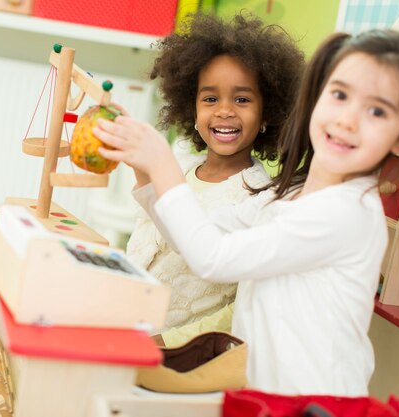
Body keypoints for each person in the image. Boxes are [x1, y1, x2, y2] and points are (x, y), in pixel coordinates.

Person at [94, 29, 399, 395]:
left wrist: (161, 161)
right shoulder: (287, 194)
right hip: (261, 392)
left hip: (312, 402)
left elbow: (213, 258)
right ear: (316, 97)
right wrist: (144, 167)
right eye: (340, 95)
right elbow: (191, 236)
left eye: (377, 111)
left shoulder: (346, 213)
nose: (348, 119)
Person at [125, 12, 305, 338]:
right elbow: (145, 245)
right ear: (192, 109)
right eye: (210, 98)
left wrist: (167, 343)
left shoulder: (261, 197)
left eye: (242, 99)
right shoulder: (177, 171)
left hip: (177, 356)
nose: (224, 110)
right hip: (123, 326)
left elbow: (238, 310)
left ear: (267, 115)